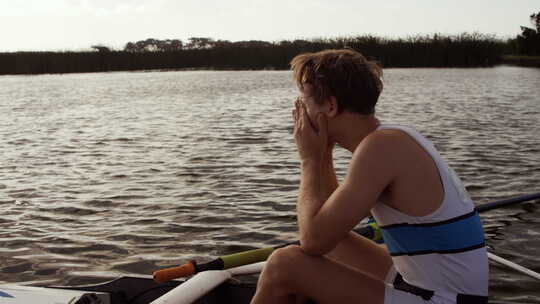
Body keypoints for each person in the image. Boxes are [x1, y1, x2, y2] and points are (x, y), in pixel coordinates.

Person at [250, 49, 488, 304]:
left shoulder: (381, 148)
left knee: (284, 264)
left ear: (330, 106)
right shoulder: (391, 136)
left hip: (444, 299)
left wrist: (309, 160)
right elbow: (328, 228)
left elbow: (312, 241)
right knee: (336, 242)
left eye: (303, 101)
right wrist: (323, 154)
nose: (298, 111)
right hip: (429, 284)